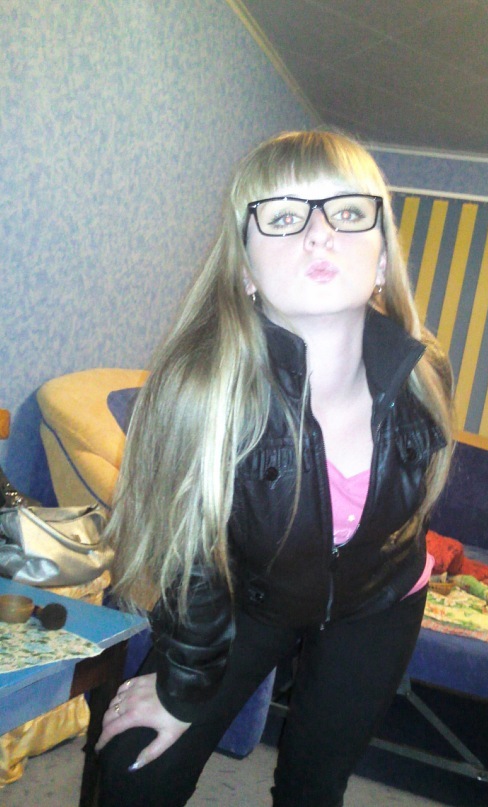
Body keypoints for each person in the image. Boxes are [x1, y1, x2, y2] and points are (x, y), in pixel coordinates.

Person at [96, 129, 454, 807]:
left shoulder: (423, 372)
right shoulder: (197, 387)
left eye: (347, 212)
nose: (320, 235)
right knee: (133, 765)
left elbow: (412, 508)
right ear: (244, 268)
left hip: (378, 600)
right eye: (284, 217)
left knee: (314, 787)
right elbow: (188, 557)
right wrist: (182, 686)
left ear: (381, 258)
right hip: (248, 592)